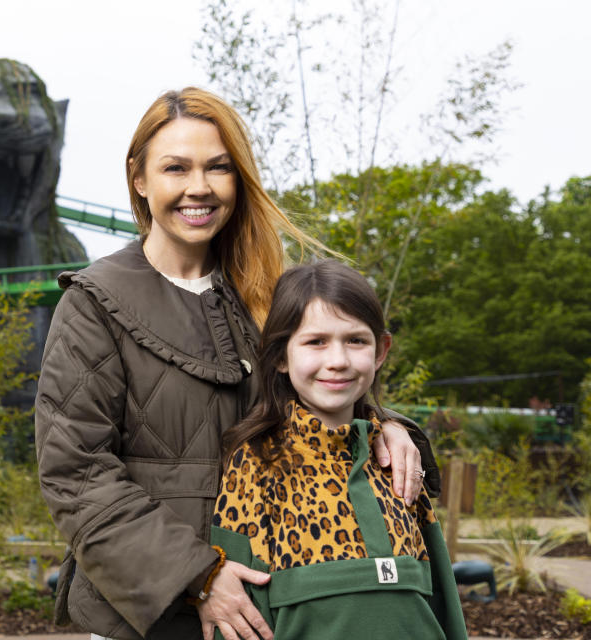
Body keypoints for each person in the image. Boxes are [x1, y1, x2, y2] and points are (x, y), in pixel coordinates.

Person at [35, 87, 438, 640]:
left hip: (276, 599)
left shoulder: (269, 292)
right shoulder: (93, 304)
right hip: (154, 613)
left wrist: (387, 425)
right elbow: (76, 473)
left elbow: (325, 391)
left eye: (218, 168)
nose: (198, 187)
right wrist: (198, 576)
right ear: (139, 179)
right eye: (175, 167)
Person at [211, 260, 465, 640]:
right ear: (280, 355)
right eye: (316, 342)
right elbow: (238, 616)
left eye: (356, 340)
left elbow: (441, 600)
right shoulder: (256, 461)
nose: (338, 361)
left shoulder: (398, 460)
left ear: (381, 351)